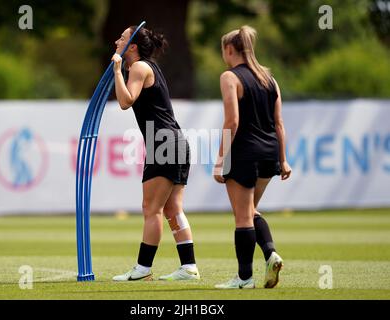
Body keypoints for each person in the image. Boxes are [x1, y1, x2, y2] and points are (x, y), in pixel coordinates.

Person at [111, 26, 200, 281]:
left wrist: (118, 70)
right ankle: (189, 266)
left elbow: (126, 101)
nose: (117, 40)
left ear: (134, 47)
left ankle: (142, 269)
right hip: (176, 141)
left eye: (123, 38)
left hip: (163, 143)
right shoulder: (147, 66)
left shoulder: (138, 68)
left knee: (151, 208)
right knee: (173, 209)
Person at [213, 25, 291, 289]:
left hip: (245, 153)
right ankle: (271, 254)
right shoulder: (270, 79)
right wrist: (283, 160)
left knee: (243, 218)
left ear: (229, 49)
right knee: (249, 211)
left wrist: (221, 159)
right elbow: (279, 124)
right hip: (269, 153)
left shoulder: (229, 77)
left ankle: (244, 278)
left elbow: (232, 121)